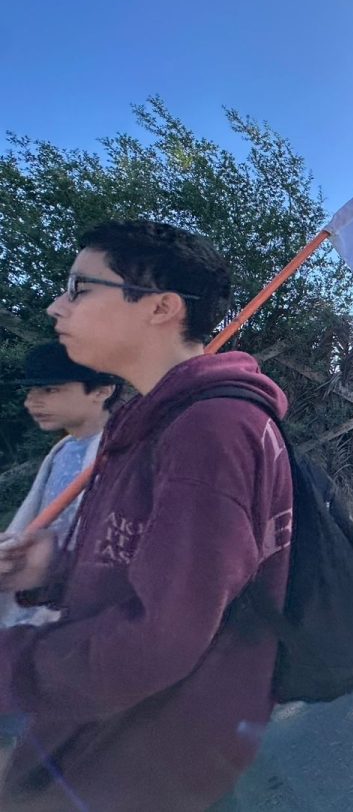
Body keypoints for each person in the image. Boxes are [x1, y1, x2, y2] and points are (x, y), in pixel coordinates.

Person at [0, 220, 293, 810]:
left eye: (80, 289)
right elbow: (152, 567)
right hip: (120, 743)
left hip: (147, 756)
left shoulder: (209, 430)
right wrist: (54, 570)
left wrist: (12, 664)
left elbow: (160, 637)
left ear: (160, 308)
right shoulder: (147, 425)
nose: (58, 306)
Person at [1, 343, 121, 629]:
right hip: (33, 593)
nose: (32, 402)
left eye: (50, 390)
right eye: (31, 391)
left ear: (102, 391)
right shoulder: (61, 451)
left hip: (82, 603)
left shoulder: (120, 453)